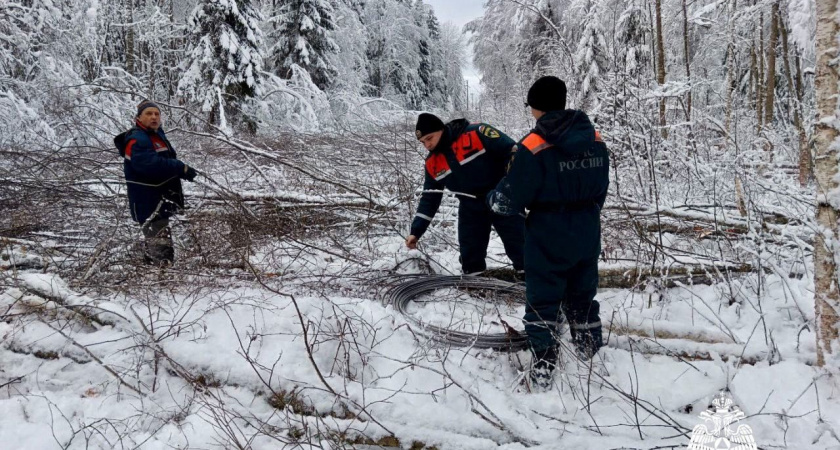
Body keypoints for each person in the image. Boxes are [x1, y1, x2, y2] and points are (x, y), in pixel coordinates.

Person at [487, 76, 609, 386]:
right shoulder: (594, 138)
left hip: (548, 232)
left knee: (542, 297)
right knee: (583, 294)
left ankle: (544, 364)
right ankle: (592, 355)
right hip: (587, 227)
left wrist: (493, 196)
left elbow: (509, 200)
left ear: (537, 106)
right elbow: (601, 189)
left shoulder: (532, 145)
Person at [407, 113, 525, 275]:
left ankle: (532, 282)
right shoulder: (432, 163)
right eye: (423, 142)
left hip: (501, 197)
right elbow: (430, 197)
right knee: (471, 256)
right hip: (470, 206)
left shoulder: (477, 132)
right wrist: (416, 231)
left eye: (430, 138)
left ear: (441, 129)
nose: (427, 145)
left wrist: (509, 187)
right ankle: (476, 286)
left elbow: (513, 152)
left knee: (521, 246)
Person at [121, 100, 197, 265]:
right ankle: (161, 278)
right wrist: (179, 167)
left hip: (160, 198)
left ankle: (152, 270)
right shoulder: (137, 139)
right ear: (139, 117)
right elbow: (150, 165)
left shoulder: (156, 135)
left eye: (156, 114)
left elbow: (164, 161)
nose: (154, 117)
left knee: (157, 238)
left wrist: (181, 171)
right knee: (160, 243)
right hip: (148, 200)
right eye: (148, 114)